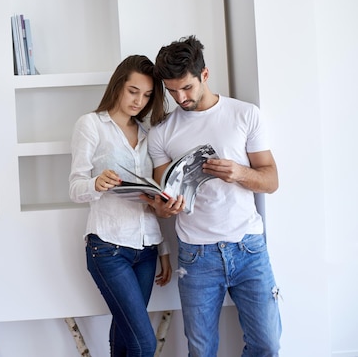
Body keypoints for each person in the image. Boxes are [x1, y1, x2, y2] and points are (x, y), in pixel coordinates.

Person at [145, 35, 282, 357]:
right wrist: (166, 208)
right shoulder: (161, 132)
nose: (180, 97)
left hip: (249, 248)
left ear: (204, 75)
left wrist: (241, 173)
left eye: (187, 88)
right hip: (196, 255)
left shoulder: (245, 114)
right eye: (172, 90)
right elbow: (160, 203)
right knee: (202, 351)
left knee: (267, 345)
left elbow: (271, 180)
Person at [69, 55, 172, 357]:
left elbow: (151, 199)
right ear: (118, 86)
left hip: (147, 249)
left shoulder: (148, 134)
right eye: (133, 91)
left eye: (148, 95)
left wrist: (163, 249)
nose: (139, 100)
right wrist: (96, 183)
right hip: (108, 249)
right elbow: (75, 187)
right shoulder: (91, 125)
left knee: (126, 340)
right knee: (144, 343)